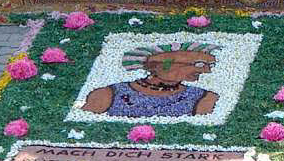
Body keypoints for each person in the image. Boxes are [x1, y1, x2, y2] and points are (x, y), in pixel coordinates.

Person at [83, 41, 219, 116]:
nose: (206, 71)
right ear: (159, 65)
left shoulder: (205, 98)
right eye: (199, 64)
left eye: (208, 65)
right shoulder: (107, 94)